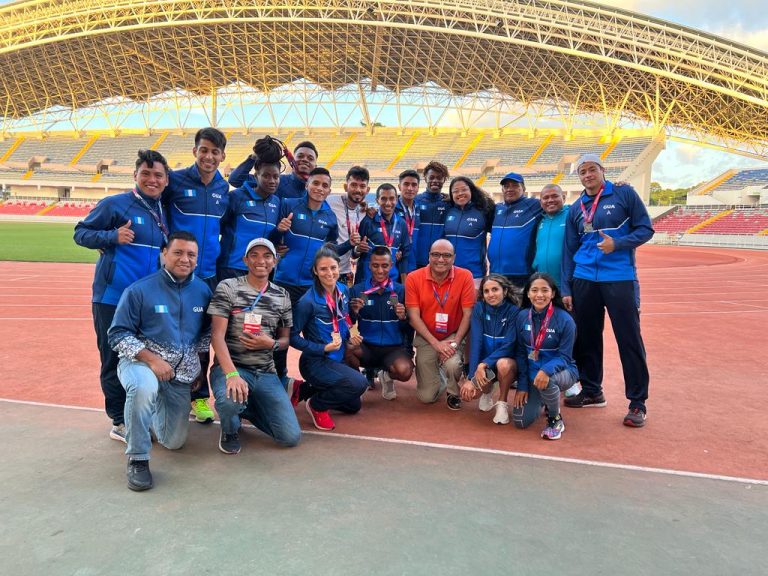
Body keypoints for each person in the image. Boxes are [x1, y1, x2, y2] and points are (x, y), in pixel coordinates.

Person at [74, 149, 171, 443]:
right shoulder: (116, 205)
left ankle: (139, 413)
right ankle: (119, 420)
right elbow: (81, 232)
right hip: (112, 297)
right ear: (135, 176)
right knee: (112, 358)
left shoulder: (162, 210)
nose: (152, 180)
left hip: (146, 302)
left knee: (143, 357)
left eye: (158, 175)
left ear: (166, 181)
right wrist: (111, 237)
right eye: (146, 174)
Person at [108, 231, 212, 491]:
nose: (184, 259)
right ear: (163, 254)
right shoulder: (140, 290)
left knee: (174, 441)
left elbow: (204, 335)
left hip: (178, 377)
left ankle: (142, 419)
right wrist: (152, 360)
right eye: (178, 252)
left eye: (191, 254)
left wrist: (198, 367)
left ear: (197, 260)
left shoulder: (202, 290)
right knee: (143, 388)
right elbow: (117, 334)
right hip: (141, 365)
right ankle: (138, 459)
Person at [561, 154, 654, 427]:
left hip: (620, 277)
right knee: (587, 338)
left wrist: (619, 244)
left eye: (592, 170)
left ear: (602, 170)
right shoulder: (577, 207)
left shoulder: (624, 194)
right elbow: (569, 250)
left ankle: (637, 403)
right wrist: (567, 286)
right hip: (584, 278)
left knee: (629, 338)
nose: (588, 175)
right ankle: (592, 391)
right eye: (582, 172)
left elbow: (645, 229)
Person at [208, 238, 300, 455]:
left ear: (275, 261)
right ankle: (230, 428)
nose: (261, 261)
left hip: (265, 372)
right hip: (233, 368)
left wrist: (272, 343)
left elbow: (285, 339)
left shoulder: (282, 295)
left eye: (267, 256)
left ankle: (245, 409)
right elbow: (217, 336)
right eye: (255, 255)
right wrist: (231, 374)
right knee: (230, 402)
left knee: (290, 437)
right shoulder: (229, 287)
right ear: (245, 260)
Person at [162, 127, 229, 424]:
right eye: (204, 150)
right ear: (195, 151)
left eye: (215, 152)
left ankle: (199, 398)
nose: (209, 156)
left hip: (208, 276)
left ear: (222, 156)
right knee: (169, 335)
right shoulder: (174, 181)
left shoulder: (223, 189)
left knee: (203, 338)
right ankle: (167, 393)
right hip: (175, 275)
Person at [289, 245, 369, 431]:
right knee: (359, 383)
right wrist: (321, 348)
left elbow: (344, 320)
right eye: (323, 269)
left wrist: (354, 316)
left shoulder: (343, 290)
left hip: (338, 358)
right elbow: (292, 337)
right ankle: (316, 405)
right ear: (315, 271)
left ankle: (304, 390)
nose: (329, 273)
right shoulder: (307, 302)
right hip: (316, 362)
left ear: (339, 267)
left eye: (333, 267)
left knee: (353, 405)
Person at [405, 239, 475, 410]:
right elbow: (413, 317)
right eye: (436, 255)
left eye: (446, 255)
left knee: (452, 364)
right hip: (427, 336)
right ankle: (440, 376)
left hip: (452, 334)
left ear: (454, 258)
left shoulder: (465, 276)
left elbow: (468, 315)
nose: (441, 260)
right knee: (426, 397)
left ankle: (453, 391)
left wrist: (455, 343)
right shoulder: (414, 278)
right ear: (428, 256)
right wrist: (436, 345)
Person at [271, 167, 353, 307]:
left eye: (325, 185)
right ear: (307, 185)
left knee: (312, 328)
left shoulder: (330, 218)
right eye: (315, 183)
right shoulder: (288, 205)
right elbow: (271, 240)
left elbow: (330, 250)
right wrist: (278, 231)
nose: (320, 188)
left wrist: (349, 243)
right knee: (282, 327)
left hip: (312, 284)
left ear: (329, 191)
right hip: (283, 281)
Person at [512, 273, 579, 440]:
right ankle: (546, 399)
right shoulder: (522, 317)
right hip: (533, 377)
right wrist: (522, 385)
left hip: (563, 372)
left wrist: (546, 370)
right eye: (534, 290)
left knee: (548, 381)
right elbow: (520, 352)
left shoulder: (565, 320)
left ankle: (555, 419)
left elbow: (564, 357)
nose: (539, 295)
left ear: (553, 293)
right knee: (520, 421)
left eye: (544, 290)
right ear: (527, 293)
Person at [347, 247, 413, 400]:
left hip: (393, 349)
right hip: (367, 347)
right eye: (375, 265)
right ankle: (359, 383)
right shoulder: (357, 291)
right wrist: (354, 313)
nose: (380, 270)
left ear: (391, 266)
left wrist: (403, 318)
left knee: (405, 371)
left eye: (384, 265)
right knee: (347, 349)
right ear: (369, 266)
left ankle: (386, 376)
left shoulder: (401, 291)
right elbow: (348, 323)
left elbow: (409, 327)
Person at [217, 136, 285, 281]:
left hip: (261, 272)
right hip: (232, 269)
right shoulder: (237, 197)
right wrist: (254, 157)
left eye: (276, 177)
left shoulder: (277, 202)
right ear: (256, 176)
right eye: (266, 176)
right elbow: (220, 227)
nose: (272, 181)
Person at [458, 275, 520, 424]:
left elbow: (509, 345)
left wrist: (483, 364)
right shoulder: (479, 308)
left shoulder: (514, 311)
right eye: (486, 291)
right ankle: (487, 391)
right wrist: (471, 377)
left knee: (503, 365)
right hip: (486, 364)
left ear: (504, 291)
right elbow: (476, 343)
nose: (491, 294)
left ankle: (502, 403)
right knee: (472, 393)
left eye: (495, 289)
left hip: (508, 363)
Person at [487, 172, 543, 288]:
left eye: (514, 185)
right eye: (506, 186)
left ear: (523, 188)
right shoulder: (497, 208)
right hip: (495, 273)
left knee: (519, 306)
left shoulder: (533, 205)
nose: (509, 189)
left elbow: (553, 204)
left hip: (521, 274)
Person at [354, 183, 411, 285]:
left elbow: (405, 255)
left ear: (397, 200)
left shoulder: (401, 223)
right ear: (377, 200)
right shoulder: (368, 220)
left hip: (392, 282)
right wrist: (358, 249)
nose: (388, 203)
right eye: (383, 199)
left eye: (392, 198)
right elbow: (354, 252)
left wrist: (404, 285)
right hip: (367, 281)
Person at [443, 176, 495, 286]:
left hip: (474, 274)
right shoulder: (449, 211)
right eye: (455, 191)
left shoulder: (484, 211)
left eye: (464, 189)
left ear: (471, 190)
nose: (460, 193)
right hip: (448, 273)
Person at [228, 139, 319, 199]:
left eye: (310, 158)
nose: (304, 160)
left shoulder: (317, 193)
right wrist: (255, 156)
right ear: (291, 159)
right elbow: (235, 180)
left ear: (315, 166)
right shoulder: (275, 181)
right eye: (300, 156)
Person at [326, 166, 370, 285]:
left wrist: (358, 250)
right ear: (346, 186)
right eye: (354, 185)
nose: (358, 190)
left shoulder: (365, 212)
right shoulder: (329, 202)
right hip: (325, 269)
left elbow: (354, 252)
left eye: (362, 186)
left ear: (368, 190)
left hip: (344, 272)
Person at [413, 161, 449, 268]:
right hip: (416, 260)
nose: (435, 181)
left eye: (439, 178)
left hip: (439, 262)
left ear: (444, 180)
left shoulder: (449, 203)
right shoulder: (415, 201)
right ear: (425, 178)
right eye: (432, 177)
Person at [532, 184, 568, 288]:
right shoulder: (539, 220)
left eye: (555, 196)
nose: (550, 200)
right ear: (540, 202)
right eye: (546, 198)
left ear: (564, 198)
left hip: (566, 283)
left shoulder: (572, 215)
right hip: (543, 283)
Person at [395, 169, 420, 274]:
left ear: (418, 188)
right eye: (406, 184)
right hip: (395, 264)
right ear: (399, 186)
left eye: (414, 185)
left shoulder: (418, 207)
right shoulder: (391, 208)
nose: (410, 188)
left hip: (414, 263)